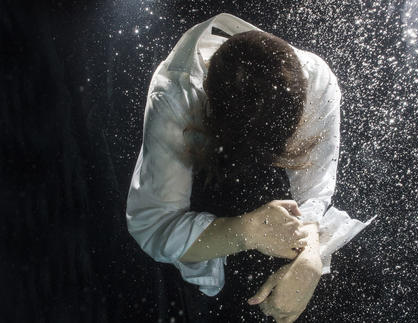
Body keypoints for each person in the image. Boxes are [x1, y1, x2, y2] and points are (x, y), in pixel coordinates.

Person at [126, 13, 375, 322]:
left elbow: (314, 192)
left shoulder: (317, 83)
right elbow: (154, 225)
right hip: (213, 252)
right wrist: (246, 232)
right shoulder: (176, 96)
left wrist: (311, 257)